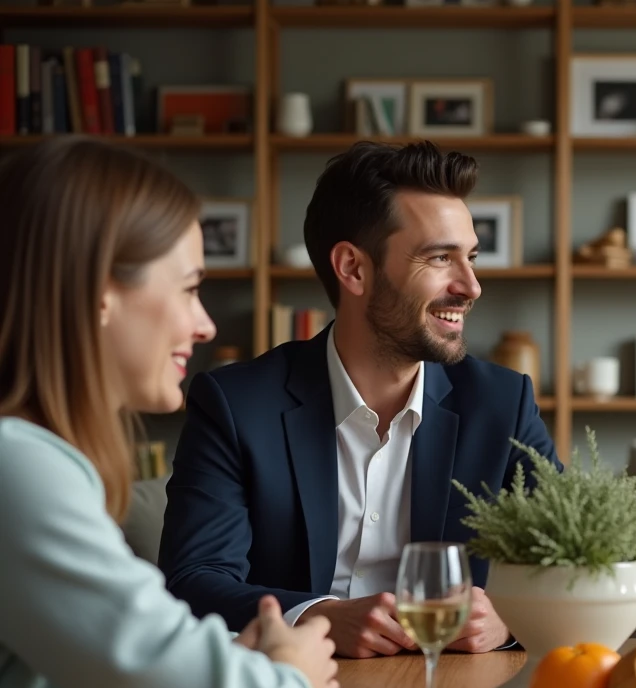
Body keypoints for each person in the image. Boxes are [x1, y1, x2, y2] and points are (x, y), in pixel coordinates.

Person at [0, 138, 339, 688]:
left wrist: (227, 673)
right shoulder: (17, 473)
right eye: (188, 289)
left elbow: (98, 675)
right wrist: (290, 674)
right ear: (99, 292)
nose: (205, 324)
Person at [158, 141, 559, 658]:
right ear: (353, 268)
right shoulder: (235, 405)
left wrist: (508, 620)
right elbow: (193, 579)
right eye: (440, 257)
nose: (471, 286)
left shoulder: (503, 403)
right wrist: (320, 616)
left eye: (471, 257)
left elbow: (571, 564)